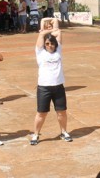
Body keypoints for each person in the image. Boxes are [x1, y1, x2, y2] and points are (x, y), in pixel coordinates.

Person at [30, 17, 73, 145]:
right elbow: (41, 33)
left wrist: (53, 20)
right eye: (47, 44)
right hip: (44, 87)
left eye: (52, 43)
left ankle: (64, 132)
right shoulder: (40, 52)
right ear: (44, 44)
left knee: (61, 112)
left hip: (58, 86)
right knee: (41, 113)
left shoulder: (58, 49)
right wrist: (44, 21)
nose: (50, 46)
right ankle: (36, 134)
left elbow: (58, 31)